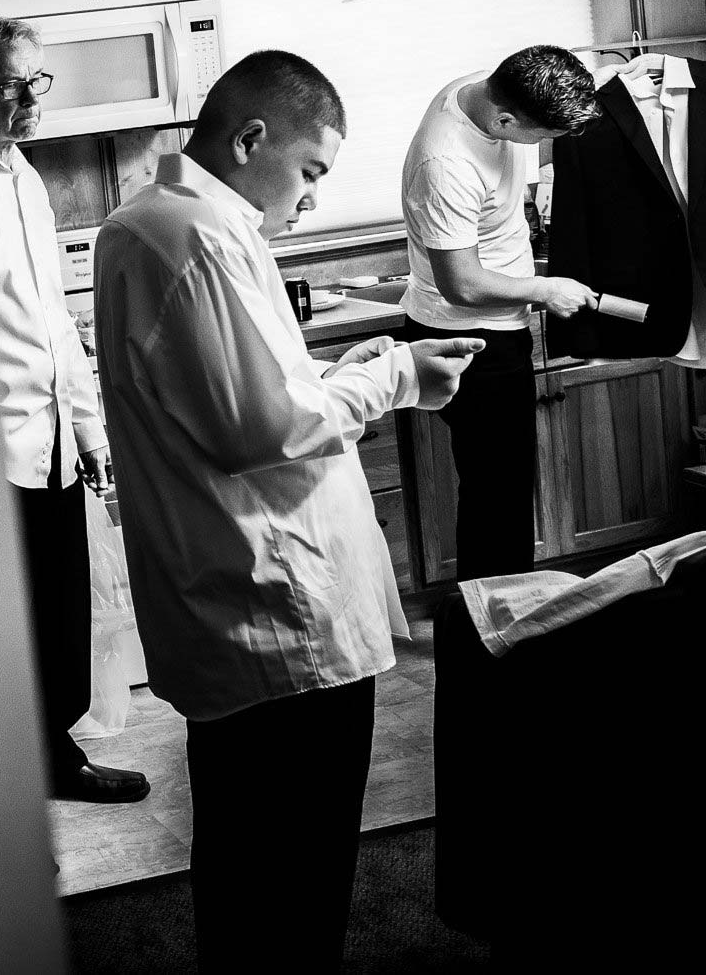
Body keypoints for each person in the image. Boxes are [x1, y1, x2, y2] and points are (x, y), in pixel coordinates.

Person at [94, 50, 482, 971]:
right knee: (293, 868)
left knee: (250, 856)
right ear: (250, 136)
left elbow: (259, 394)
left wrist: (348, 376)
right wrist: (395, 369)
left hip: (246, 601)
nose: (311, 198)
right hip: (277, 614)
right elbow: (262, 424)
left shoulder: (160, 227)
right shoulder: (193, 237)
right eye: (310, 172)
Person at [0, 17, 148, 804]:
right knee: (6, 628)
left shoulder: (27, 178)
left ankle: (48, 754)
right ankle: (20, 770)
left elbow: (52, 318)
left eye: (38, 80)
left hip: (52, 437)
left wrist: (91, 426)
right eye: (12, 84)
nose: (31, 98)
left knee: (60, 613)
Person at [399, 46, 600, 579]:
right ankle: (495, 627)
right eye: (543, 136)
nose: (547, 146)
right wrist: (544, 290)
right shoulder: (445, 162)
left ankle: (504, 614)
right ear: (506, 120)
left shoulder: (490, 87)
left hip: (497, 326)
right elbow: (461, 284)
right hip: (470, 339)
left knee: (503, 488)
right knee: (498, 497)